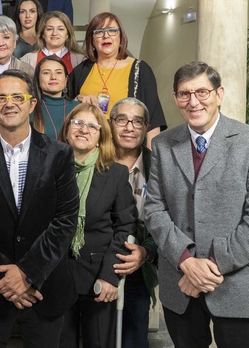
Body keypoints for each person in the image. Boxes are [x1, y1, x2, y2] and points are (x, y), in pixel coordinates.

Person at [144, 61, 249, 348]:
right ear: (175, 98)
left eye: (202, 92)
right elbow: (154, 209)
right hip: (180, 284)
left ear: (219, 94)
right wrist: (185, 260)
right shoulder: (163, 144)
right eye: (184, 94)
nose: (193, 102)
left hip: (237, 283)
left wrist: (208, 266)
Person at [0, 69, 79, 347]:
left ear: (32, 103)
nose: (8, 103)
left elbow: (65, 219)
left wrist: (27, 273)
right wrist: (6, 278)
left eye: (17, 96)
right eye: (0, 98)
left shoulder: (59, 154)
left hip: (44, 288)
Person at [59, 103, 136, 348]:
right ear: (67, 129)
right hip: (54, 279)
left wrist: (110, 276)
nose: (84, 130)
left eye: (92, 126)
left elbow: (126, 227)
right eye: (77, 123)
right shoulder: (48, 169)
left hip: (98, 279)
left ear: (101, 136)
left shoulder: (115, 174)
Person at [68, 12, 166, 146]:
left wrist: (150, 160)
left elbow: (153, 120)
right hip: (89, 149)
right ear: (91, 40)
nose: (106, 35)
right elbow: (67, 111)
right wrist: (77, 101)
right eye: (99, 31)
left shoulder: (140, 70)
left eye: (112, 30)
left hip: (126, 150)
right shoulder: (80, 71)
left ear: (121, 37)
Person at [109, 97, 159, 348]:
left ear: (146, 127)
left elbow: (170, 218)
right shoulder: (93, 160)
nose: (129, 127)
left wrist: (146, 252)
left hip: (139, 263)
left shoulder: (160, 166)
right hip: (95, 264)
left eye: (137, 121)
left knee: (134, 335)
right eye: (122, 119)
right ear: (110, 124)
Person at [32, 56, 80, 140]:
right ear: (38, 80)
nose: (53, 77)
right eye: (46, 73)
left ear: (66, 80)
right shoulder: (30, 109)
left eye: (59, 72)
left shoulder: (79, 108)